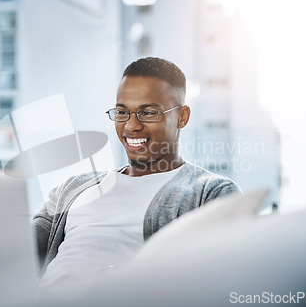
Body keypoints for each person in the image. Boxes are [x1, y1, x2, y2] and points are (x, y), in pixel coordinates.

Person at [32, 57, 241, 289]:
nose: (131, 126)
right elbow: (17, 253)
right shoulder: (73, 188)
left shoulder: (209, 192)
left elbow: (218, 279)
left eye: (148, 113)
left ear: (182, 117)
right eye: (122, 113)